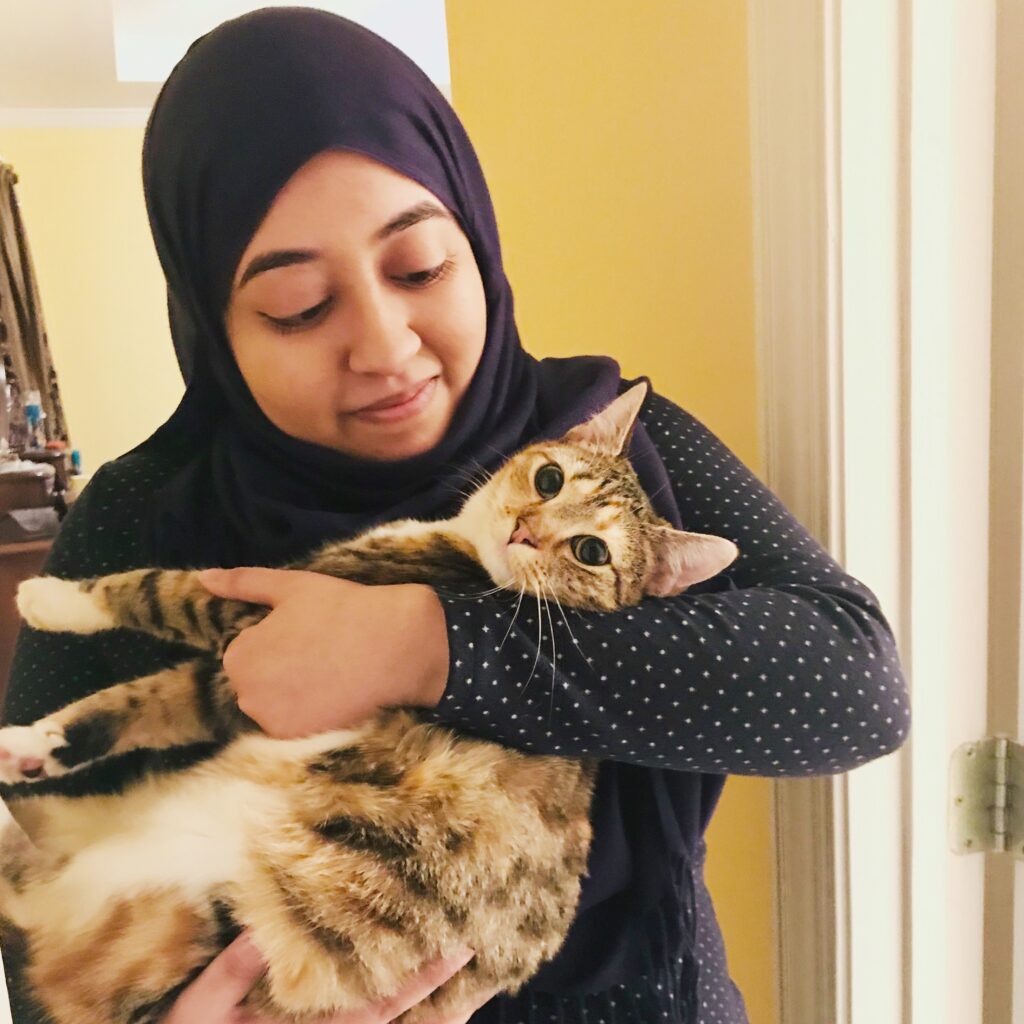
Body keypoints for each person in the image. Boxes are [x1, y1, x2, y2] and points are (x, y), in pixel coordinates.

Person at [2, 8, 910, 1024]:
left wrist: (426, 644)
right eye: (299, 306)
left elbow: (854, 687)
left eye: (421, 267)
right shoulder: (144, 519)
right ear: (212, 330)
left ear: (476, 240)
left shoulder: (599, 443)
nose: (386, 347)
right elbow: (35, 891)